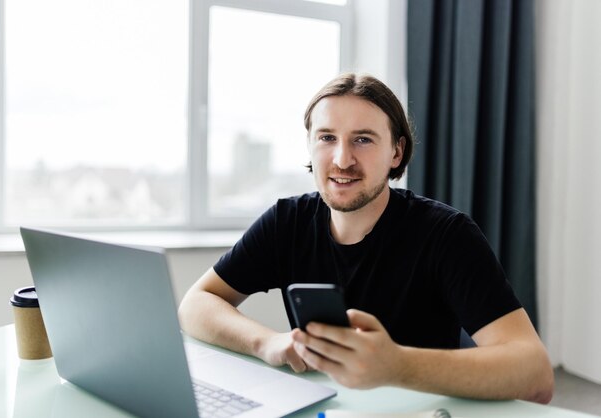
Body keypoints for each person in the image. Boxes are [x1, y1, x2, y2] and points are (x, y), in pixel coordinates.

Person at [178, 73, 554, 403]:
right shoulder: (285, 222)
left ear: (396, 151)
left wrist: (397, 366)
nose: (342, 159)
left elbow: (535, 374)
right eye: (327, 137)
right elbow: (195, 304)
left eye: (362, 140)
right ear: (310, 145)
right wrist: (268, 343)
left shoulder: (447, 235)